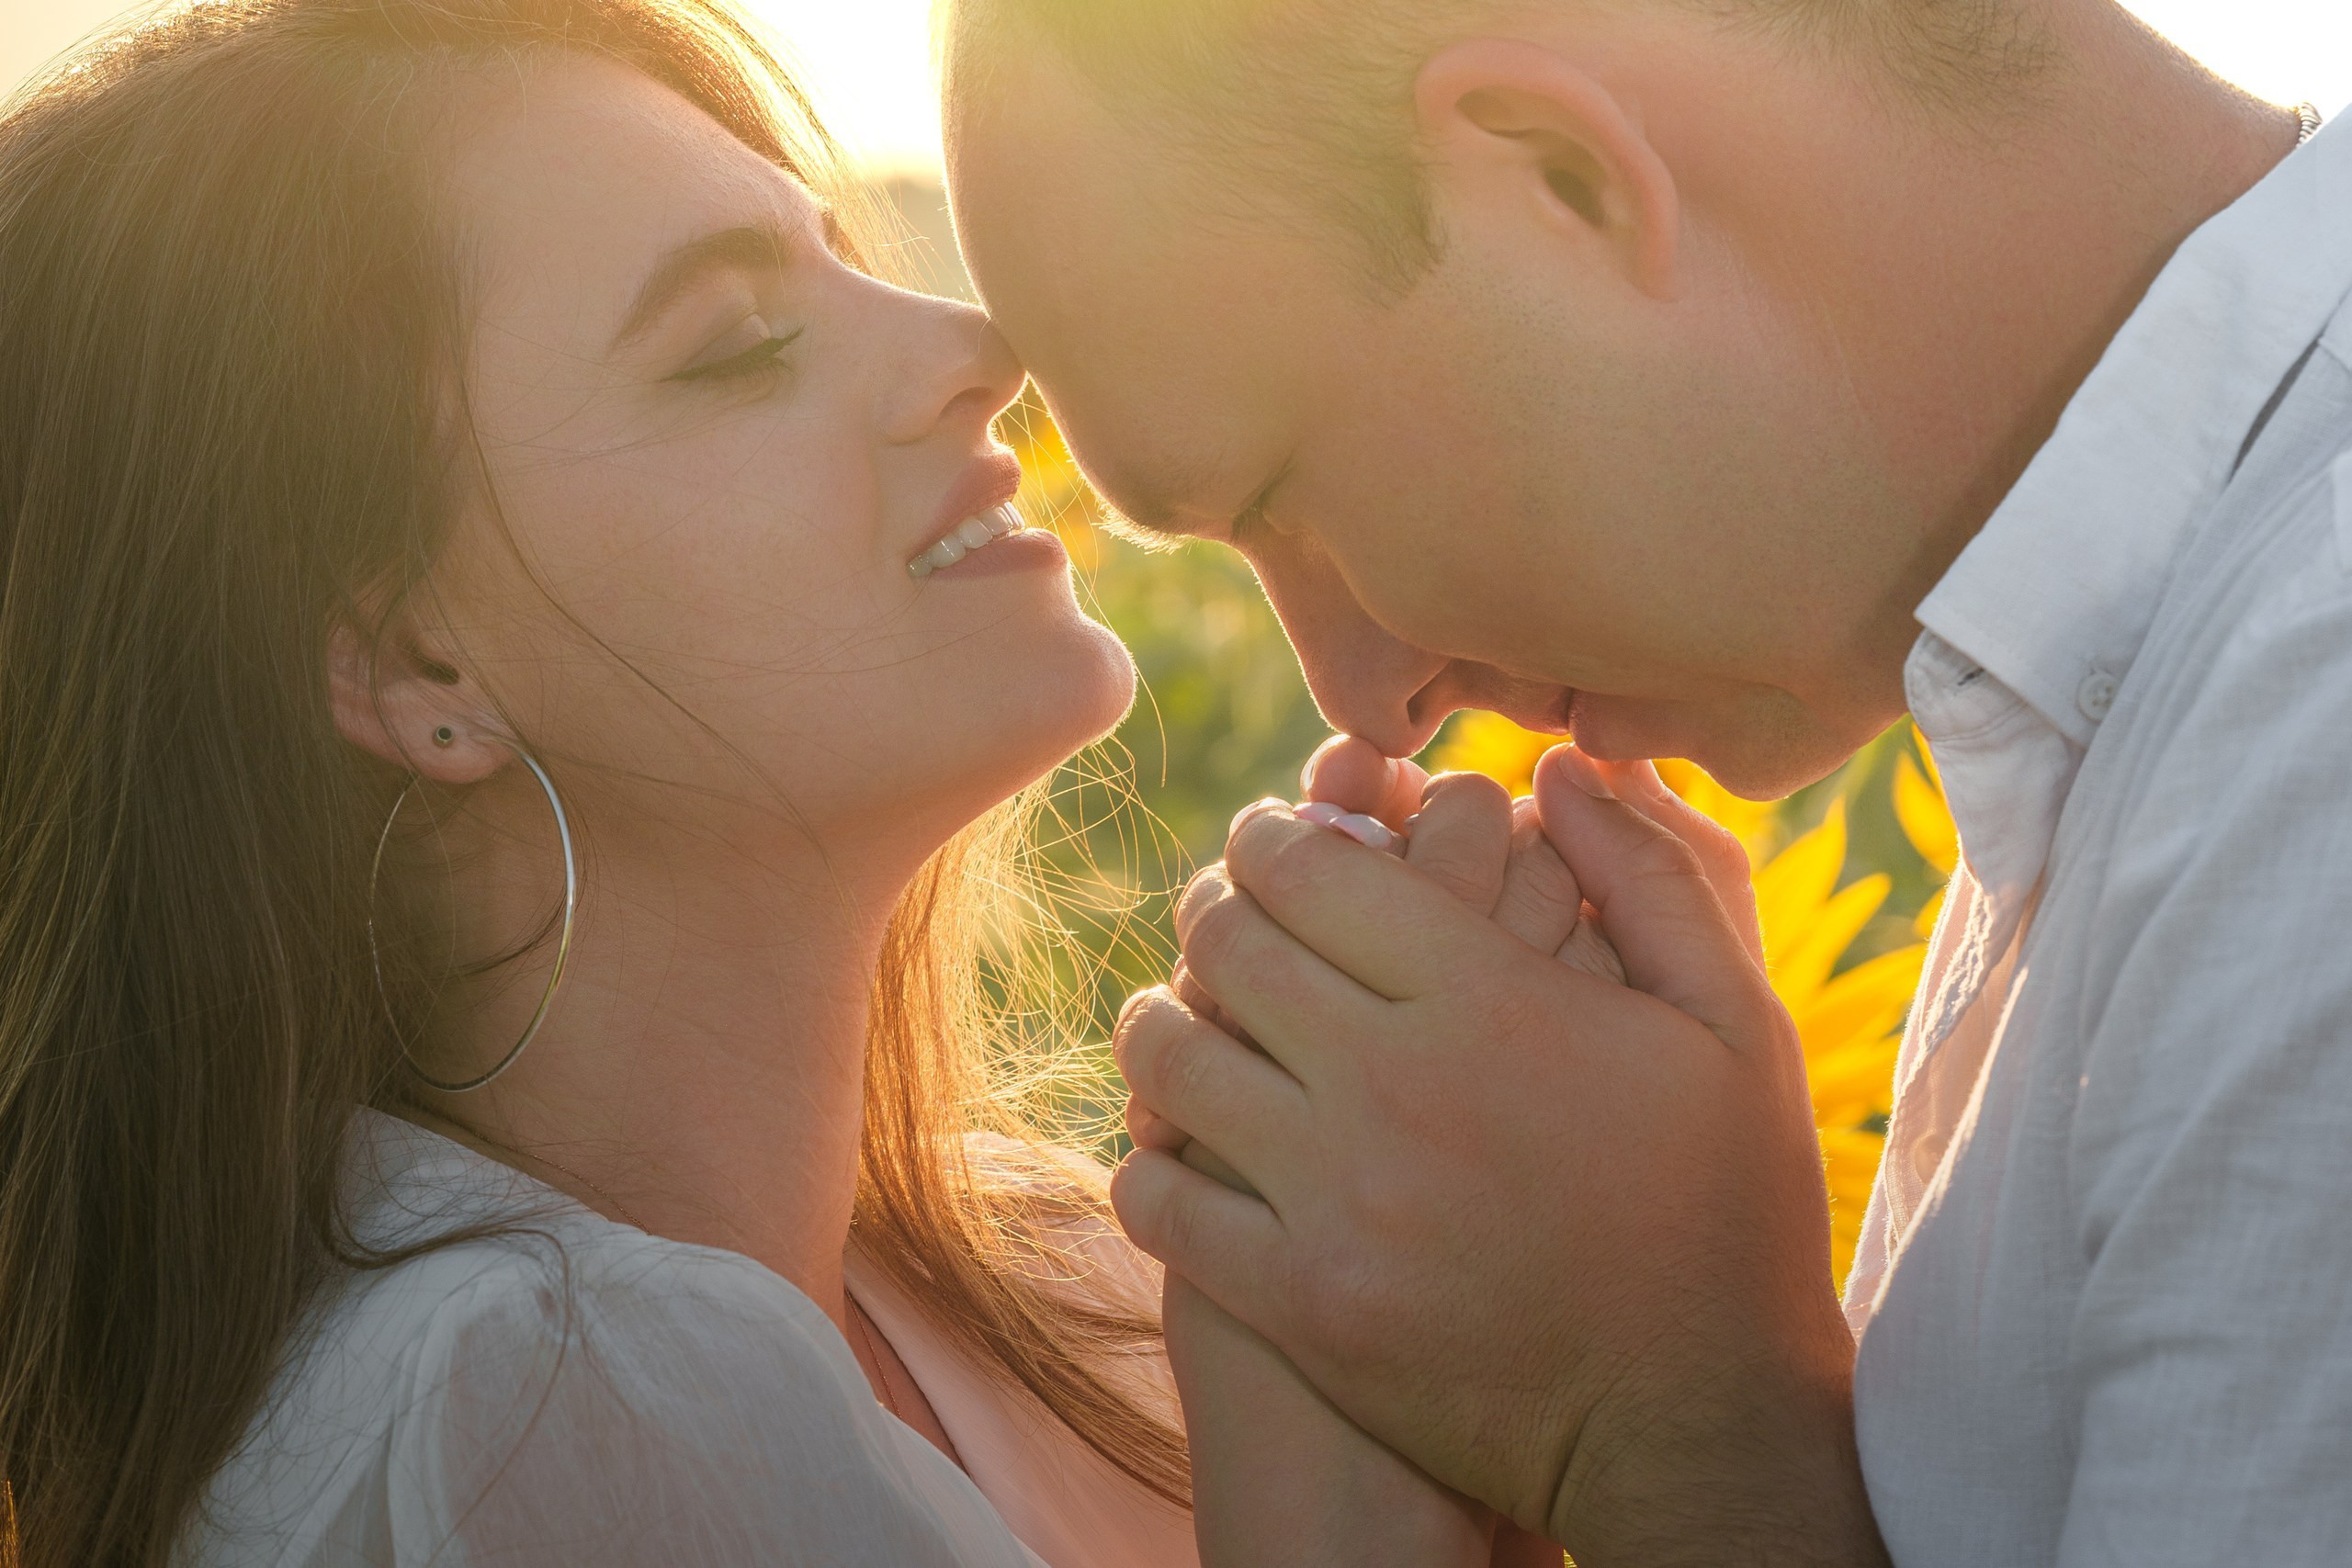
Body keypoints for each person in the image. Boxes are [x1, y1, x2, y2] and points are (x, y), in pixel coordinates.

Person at [0, 2, 1578, 1562]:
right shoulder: (537, 1401)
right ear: (420, 670)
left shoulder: (1054, 1278)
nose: (975, 349)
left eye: (852, 261)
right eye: (738, 348)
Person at [942, 0, 2352, 1562]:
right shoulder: (2174, 690)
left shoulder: (2312, 738)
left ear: (1563, 180)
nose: (1367, 697)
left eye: (1285, 497)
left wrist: (1661, 1416)